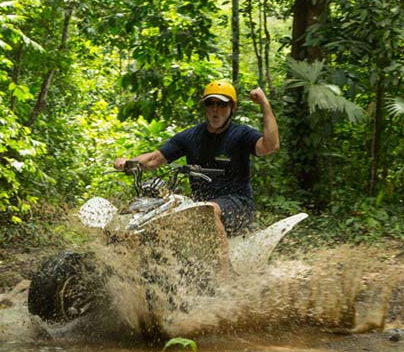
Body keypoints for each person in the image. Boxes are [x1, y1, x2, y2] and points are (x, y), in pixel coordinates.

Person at [113, 80, 280, 239]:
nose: (215, 109)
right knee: (162, 215)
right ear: (205, 107)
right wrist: (128, 163)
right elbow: (153, 160)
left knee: (207, 211)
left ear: (232, 107)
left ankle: (223, 269)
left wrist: (265, 104)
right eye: (210, 103)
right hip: (199, 206)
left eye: (221, 104)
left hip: (238, 204)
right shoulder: (191, 136)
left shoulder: (241, 134)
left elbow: (270, 146)